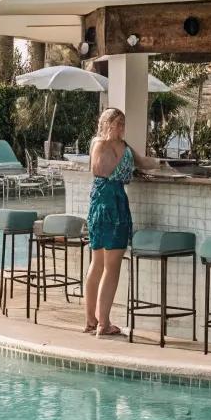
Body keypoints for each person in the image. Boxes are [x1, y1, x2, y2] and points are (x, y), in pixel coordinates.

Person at [85, 108, 154, 338]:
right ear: (106, 124)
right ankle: (100, 323)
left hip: (112, 200)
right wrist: (124, 165)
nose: (121, 128)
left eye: (123, 123)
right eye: (117, 123)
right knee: (105, 263)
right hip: (107, 200)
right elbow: (99, 169)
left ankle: (94, 321)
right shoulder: (99, 144)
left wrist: (161, 163)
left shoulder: (124, 146)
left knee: (104, 262)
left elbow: (144, 163)